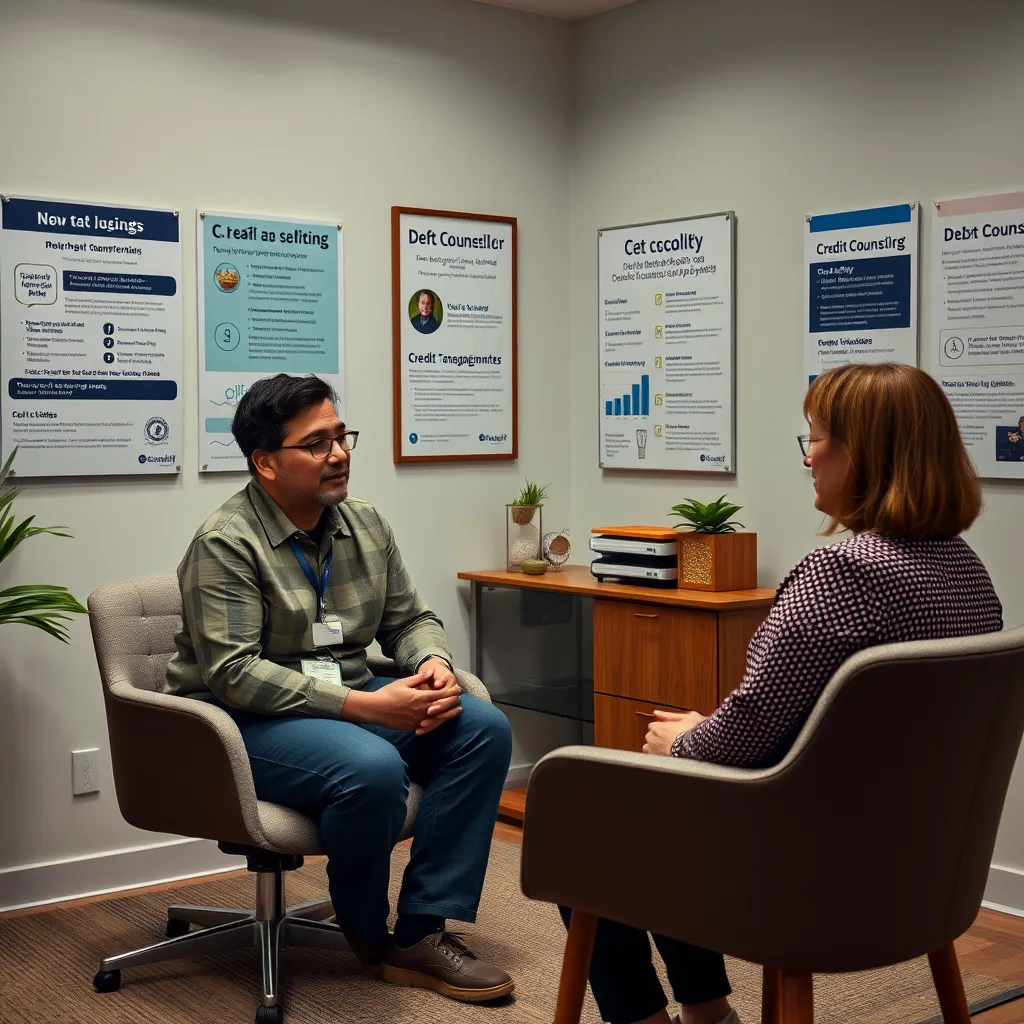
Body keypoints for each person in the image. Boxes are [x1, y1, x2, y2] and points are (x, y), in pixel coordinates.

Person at [568, 363, 1003, 1024]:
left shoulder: (845, 572)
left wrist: (685, 738)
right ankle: (710, 1015)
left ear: (865, 454)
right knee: (671, 791)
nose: (809, 458)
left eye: (818, 438)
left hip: (807, 878)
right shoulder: (971, 578)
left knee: (587, 818)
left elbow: (747, 731)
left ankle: (668, 1017)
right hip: (923, 875)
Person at [163, 373, 514, 1003]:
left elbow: (409, 619)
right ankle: (365, 929)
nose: (340, 454)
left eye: (341, 436)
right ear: (265, 462)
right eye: (318, 443)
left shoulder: (366, 525)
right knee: (371, 767)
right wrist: (367, 705)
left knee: (482, 729)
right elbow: (232, 673)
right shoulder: (226, 542)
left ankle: (421, 931)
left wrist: (430, 660)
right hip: (238, 722)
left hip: (346, 702)